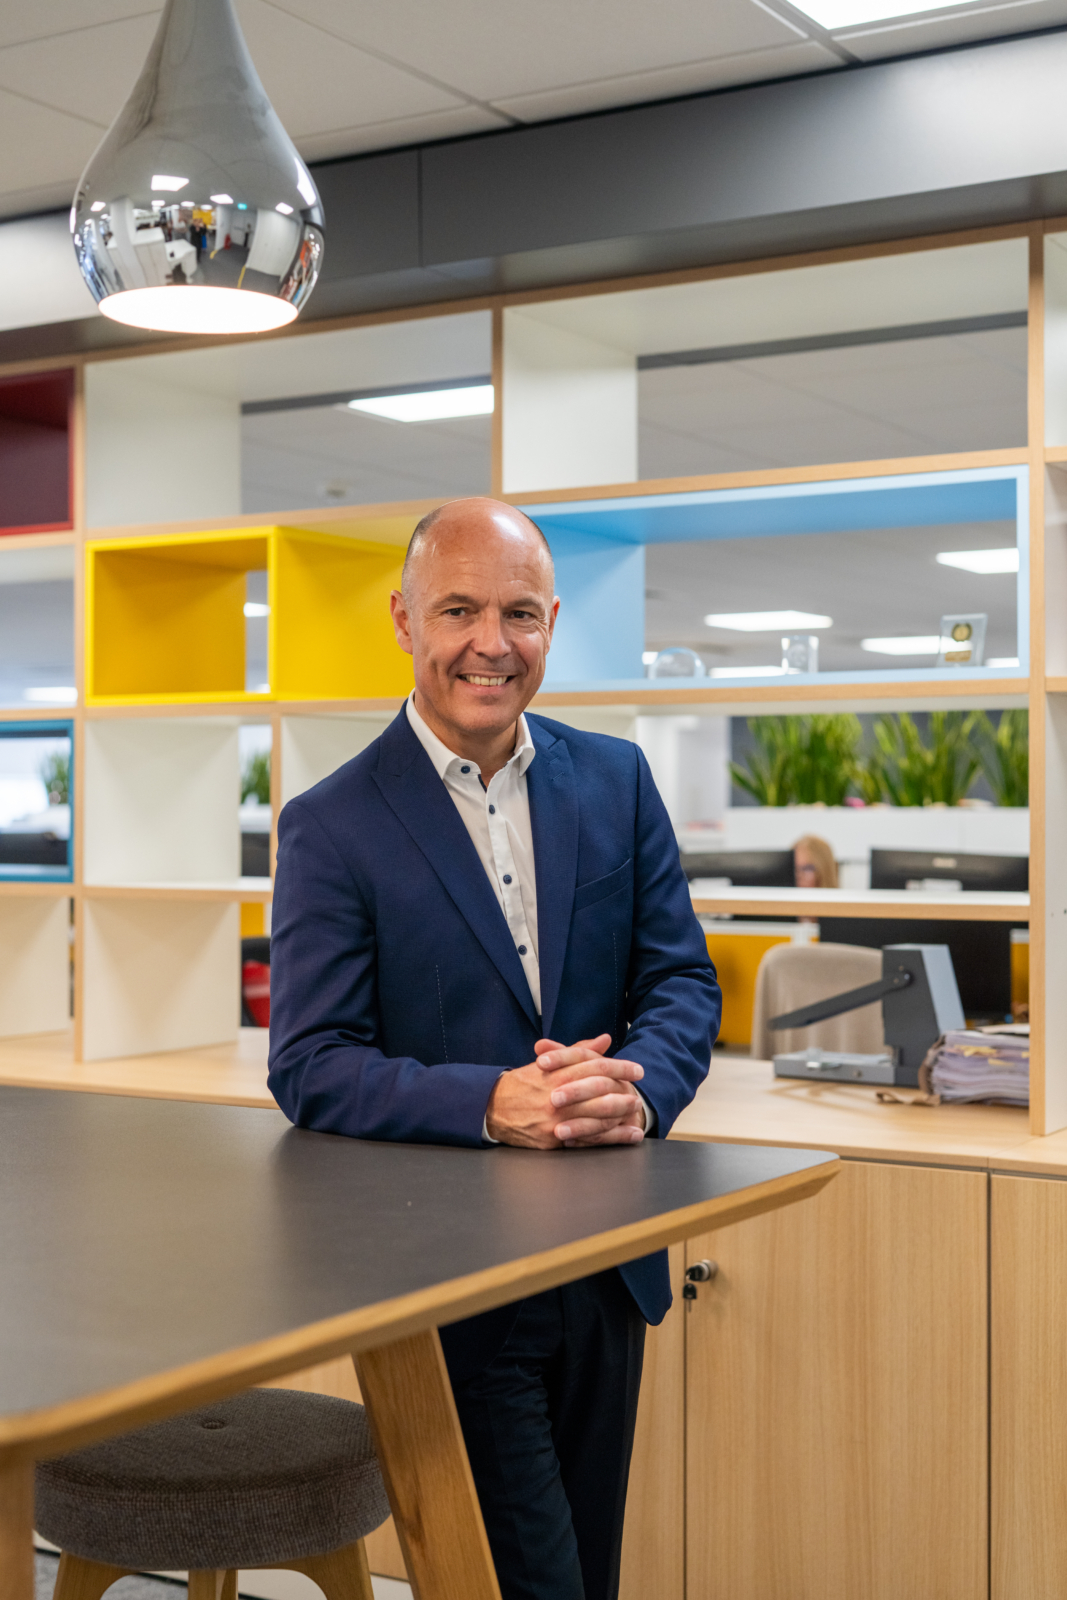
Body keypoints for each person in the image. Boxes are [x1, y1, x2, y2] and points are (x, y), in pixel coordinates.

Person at [268, 497, 722, 1600]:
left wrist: (640, 1092)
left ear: (552, 621)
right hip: (449, 1278)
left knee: (587, 1575)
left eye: (518, 611)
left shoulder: (614, 781)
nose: (490, 641)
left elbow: (679, 980)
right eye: (458, 608)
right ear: (403, 619)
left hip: (608, 1266)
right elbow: (311, 1060)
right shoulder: (332, 823)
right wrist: (491, 1103)